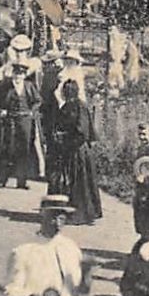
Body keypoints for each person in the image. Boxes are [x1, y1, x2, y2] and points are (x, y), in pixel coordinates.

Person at [49, 79, 102, 224]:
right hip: (69, 150)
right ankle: (73, 211)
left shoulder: (79, 107)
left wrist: (64, 137)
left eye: (66, 90)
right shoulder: (67, 106)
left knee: (81, 182)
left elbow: (82, 132)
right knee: (73, 183)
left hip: (78, 151)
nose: (64, 93)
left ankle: (84, 214)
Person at [0, 57, 42, 190]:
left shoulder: (29, 86)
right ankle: (2, 180)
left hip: (25, 121)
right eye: (16, 73)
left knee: (24, 150)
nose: (18, 76)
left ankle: (21, 181)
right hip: (10, 120)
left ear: (24, 75)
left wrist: (32, 111)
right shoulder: (4, 86)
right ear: (12, 74)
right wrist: (2, 111)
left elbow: (38, 101)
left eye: (21, 74)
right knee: (8, 149)